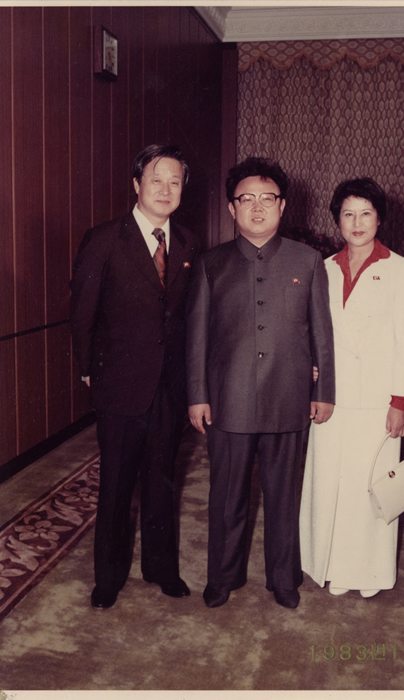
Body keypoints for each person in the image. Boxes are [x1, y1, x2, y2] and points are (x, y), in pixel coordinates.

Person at [186, 157, 335, 609]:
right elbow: (197, 336)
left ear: (282, 205)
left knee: (283, 496)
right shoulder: (211, 263)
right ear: (232, 208)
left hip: (289, 398)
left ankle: (283, 578)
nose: (256, 207)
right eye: (245, 199)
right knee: (226, 496)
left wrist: (323, 390)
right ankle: (222, 577)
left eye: (266, 199)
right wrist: (197, 395)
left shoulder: (308, 260)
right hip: (228, 400)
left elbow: (321, 332)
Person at [70, 144, 200, 609]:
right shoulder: (105, 238)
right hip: (120, 385)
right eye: (155, 180)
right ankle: (108, 577)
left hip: (169, 386)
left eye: (174, 182)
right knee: (116, 485)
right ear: (136, 185)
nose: (165, 190)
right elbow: (82, 311)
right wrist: (88, 371)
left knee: (162, 481)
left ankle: (161, 568)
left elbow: (187, 318)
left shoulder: (188, 242)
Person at [299, 177, 404, 598]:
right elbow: (313, 333)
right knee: (329, 483)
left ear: (379, 218)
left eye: (366, 213)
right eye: (348, 214)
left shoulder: (400, 269)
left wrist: (399, 402)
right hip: (332, 397)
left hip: (377, 400)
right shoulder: (324, 268)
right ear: (337, 220)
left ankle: (370, 574)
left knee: (369, 486)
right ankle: (330, 565)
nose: (357, 222)